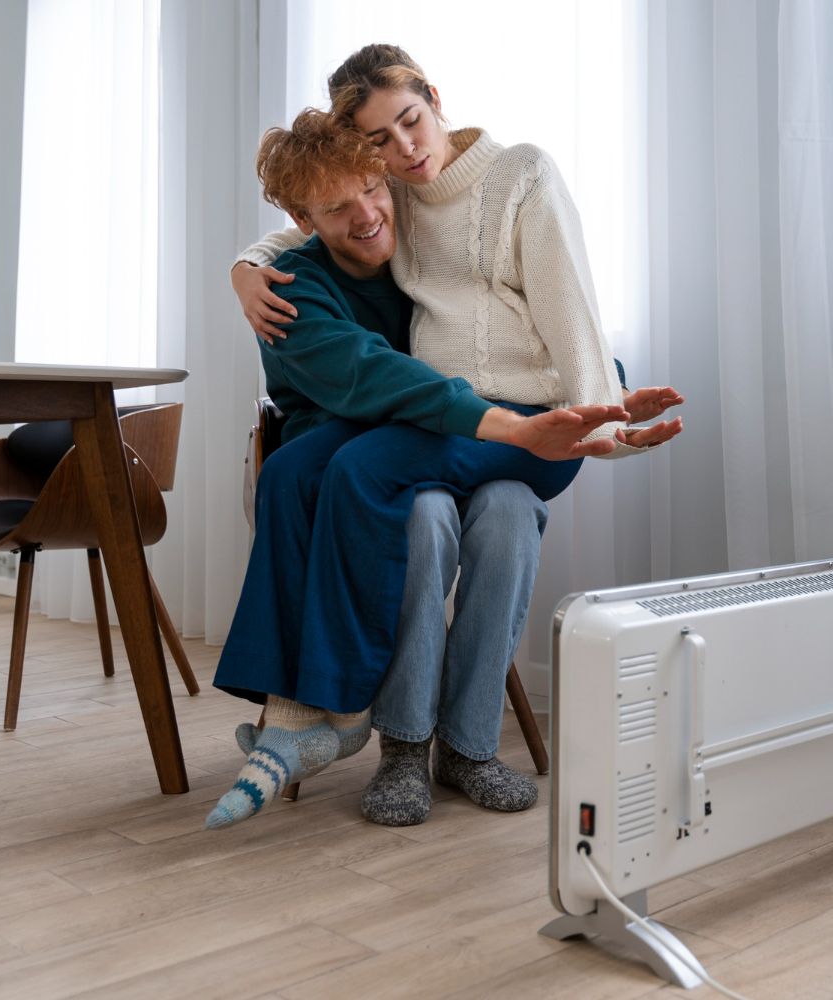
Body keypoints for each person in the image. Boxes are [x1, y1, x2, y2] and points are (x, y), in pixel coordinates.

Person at [227, 44, 684, 828]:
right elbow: (309, 225)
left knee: (389, 481)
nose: (405, 150)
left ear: (435, 99)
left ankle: (382, 725)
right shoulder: (398, 197)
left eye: (411, 120)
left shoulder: (518, 174)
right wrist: (245, 265)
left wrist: (599, 414)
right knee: (449, 510)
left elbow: (569, 308)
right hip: (454, 436)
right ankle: (413, 745)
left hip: (524, 422)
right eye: (380, 142)